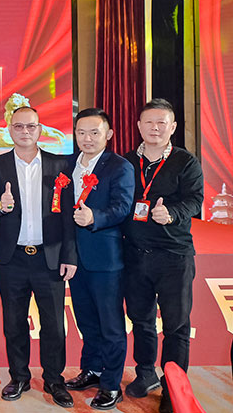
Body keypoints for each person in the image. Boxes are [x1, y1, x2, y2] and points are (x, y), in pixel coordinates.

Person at [0, 106, 77, 408]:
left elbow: (68, 216)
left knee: (54, 324)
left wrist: (69, 255)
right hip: (12, 257)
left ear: (39, 129)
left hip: (49, 258)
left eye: (31, 126)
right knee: (14, 322)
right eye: (19, 126)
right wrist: (1, 204)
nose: (25, 131)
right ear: (10, 130)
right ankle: (19, 377)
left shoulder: (59, 164)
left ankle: (54, 379)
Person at [122, 99, 203, 413]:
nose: (154, 128)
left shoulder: (185, 161)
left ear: (172, 127)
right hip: (134, 255)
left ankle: (173, 389)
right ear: (139, 126)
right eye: (149, 122)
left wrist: (172, 212)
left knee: (176, 326)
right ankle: (145, 373)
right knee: (141, 320)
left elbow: (195, 200)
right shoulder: (127, 161)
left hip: (174, 256)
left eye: (161, 123)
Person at [64, 108, 134, 410]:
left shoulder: (119, 166)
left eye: (95, 132)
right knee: (86, 320)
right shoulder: (68, 164)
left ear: (109, 134)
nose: (87, 138)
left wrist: (95, 217)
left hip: (106, 259)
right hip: (73, 258)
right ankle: (91, 369)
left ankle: (111, 384)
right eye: (81, 132)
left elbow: (122, 207)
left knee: (111, 324)